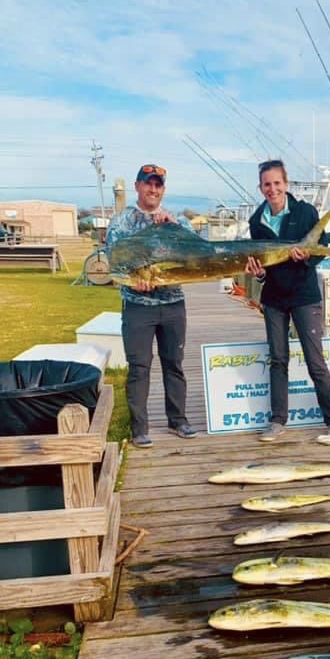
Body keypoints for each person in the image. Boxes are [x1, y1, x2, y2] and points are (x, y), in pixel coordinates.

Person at [245, 158, 330, 444]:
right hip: (273, 298)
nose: (272, 189)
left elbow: (320, 252)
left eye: (276, 183)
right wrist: (259, 274)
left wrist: (308, 255)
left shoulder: (305, 212)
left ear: (286, 184)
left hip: (304, 297)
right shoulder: (255, 222)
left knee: (315, 361)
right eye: (266, 184)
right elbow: (260, 266)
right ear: (260, 188)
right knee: (278, 360)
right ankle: (277, 420)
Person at [105, 163, 198, 448]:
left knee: (174, 364)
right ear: (137, 186)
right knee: (139, 367)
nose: (153, 189)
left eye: (158, 185)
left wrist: (172, 228)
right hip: (138, 306)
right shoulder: (121, 222)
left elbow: (197, 253)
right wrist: (133, 281)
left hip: (173, 304)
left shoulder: (179, 222)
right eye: (148, 184)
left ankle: (178, 419)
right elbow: (115, 263)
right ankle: (139, 427)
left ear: (163, 190)